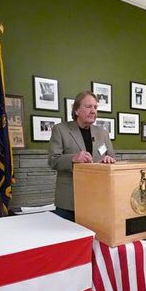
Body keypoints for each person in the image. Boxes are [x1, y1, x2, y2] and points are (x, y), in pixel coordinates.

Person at [48, 90, 115, 221]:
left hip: (98, 199)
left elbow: (112, 157)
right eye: (89, 106)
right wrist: (73, 158)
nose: (93, 111)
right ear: (77, 110)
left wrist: (109, 159)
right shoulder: (60, 129)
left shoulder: (103, 133)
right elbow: (53, 160)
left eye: (95, 107)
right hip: (69, 201)